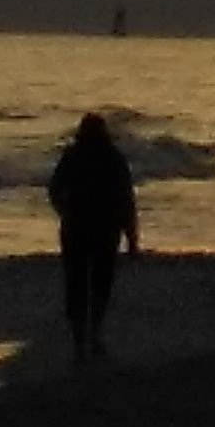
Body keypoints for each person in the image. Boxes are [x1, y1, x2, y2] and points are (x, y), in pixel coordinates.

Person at [48, 113, 140, 357]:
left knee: (76, 285)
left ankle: (79, 341)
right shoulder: (113, 157)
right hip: (105, 228)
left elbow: (54, 189)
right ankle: (95, 335)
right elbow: (126, 200)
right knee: (101, 284)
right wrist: (132, 238)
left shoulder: (72, 156)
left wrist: (64, 211)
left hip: (75, 227)